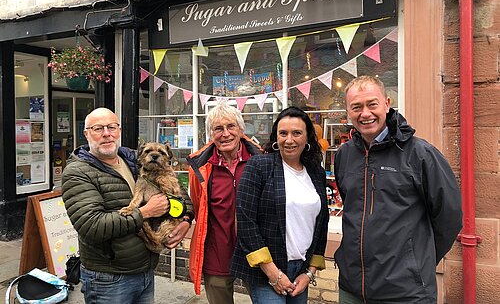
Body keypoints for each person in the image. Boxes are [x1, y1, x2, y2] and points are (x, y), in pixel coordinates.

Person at [333, 76, 463, 303]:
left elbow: (449, 217)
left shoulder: (419, 153)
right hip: (352, 287)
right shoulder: (344, 155)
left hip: (405, 292)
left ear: (387, 103)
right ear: (348, 112)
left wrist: (416, 264)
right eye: (356, 107)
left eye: (372, 104)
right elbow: (352, 207)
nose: (365, 114)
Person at [61, 107, 194, 304]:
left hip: (145, 270)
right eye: (98, 128)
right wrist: (145, 212)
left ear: (119, 131)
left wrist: (185, 219)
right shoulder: (78, 172)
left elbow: (178, 191)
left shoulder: (133, 159)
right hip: (108, 279)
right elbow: (91, 226)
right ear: (86, 133)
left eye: (111, 127)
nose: (106, 133)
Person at [231, 106, 329, 304]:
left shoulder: (316, 172)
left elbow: (322, 223)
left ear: (308, 137)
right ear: (276, 137)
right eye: (283, 133)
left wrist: (309, 273)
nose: (289, 140)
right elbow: (246, 221)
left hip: (301, 270)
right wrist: (273, 274)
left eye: (297, 133)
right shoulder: (259, 166)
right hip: (266, 270)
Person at [186, 103, 261, 303]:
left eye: (231, 127)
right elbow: (196, 204)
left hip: (256, 250)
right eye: (218, 129)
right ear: (211, 133)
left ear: (241, 130)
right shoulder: (199, 166)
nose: (225, 134)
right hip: (216, 251)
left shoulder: (261, 160)